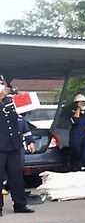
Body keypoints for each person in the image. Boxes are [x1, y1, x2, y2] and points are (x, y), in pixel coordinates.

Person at [0, 78, 36, 215]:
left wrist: (23, 97)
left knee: (16, 176)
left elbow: (24, 118)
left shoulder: (11, 101)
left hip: (14, 144)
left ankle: (20, 204)